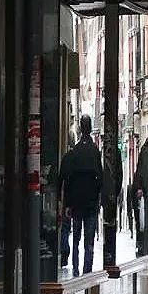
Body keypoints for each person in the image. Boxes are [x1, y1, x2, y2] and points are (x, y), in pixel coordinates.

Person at [59, 115, 103, 276]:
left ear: (80, 129)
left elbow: (68, 180)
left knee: (76, 239)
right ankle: (87, 271)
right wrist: (97, 198)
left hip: (76, 204)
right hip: (90, 205)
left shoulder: (74, 153)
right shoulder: (95, 152)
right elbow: (100, 178)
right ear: (90, 128)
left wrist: (68, 204)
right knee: (88, 241)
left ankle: (76, 269)